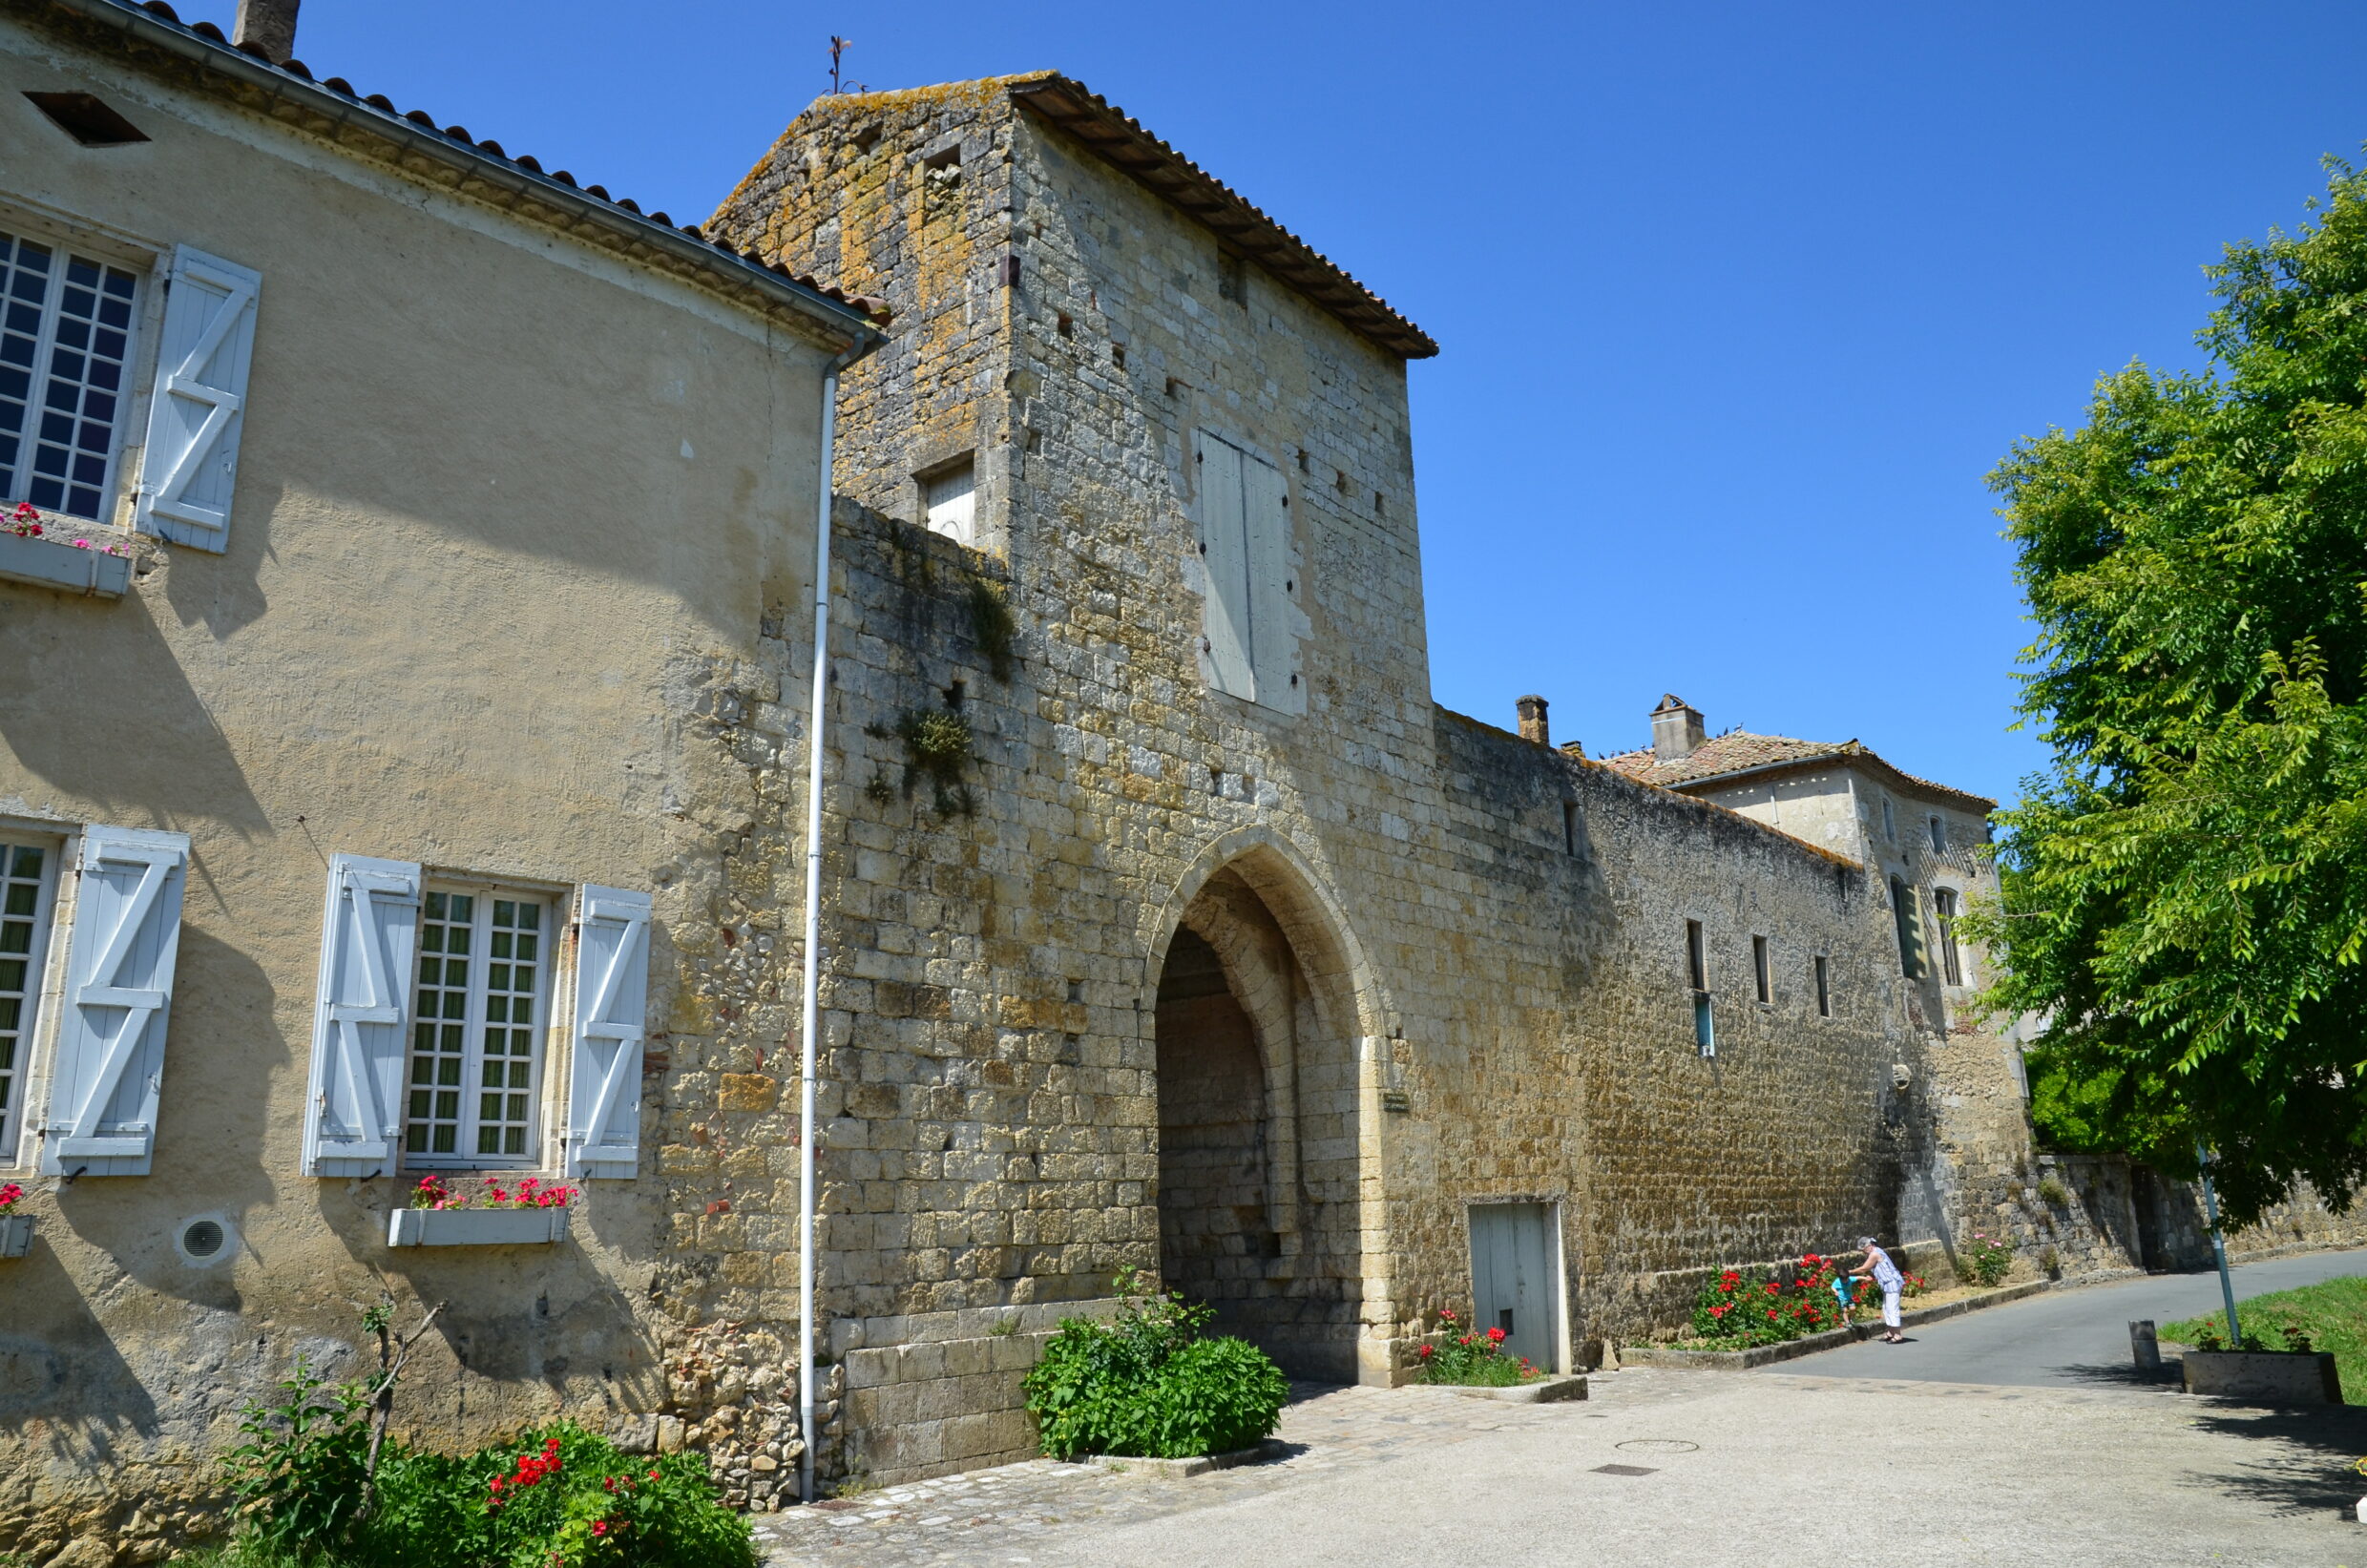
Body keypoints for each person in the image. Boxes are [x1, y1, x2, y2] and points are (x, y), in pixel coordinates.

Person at [1850, 1236, 1906, 1344]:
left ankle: (1898, 1334)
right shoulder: (1875, 1252)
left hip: (1892, 1283)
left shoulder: (1875, 1254)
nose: (1863, 1253)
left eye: (1863, 1250)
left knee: (1892, 1308)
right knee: (1886, 1308)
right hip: (1887, 1284)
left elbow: (1864, 1268)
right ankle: (1890, 1332)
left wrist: (1851, 1271)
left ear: (1869, 1246)